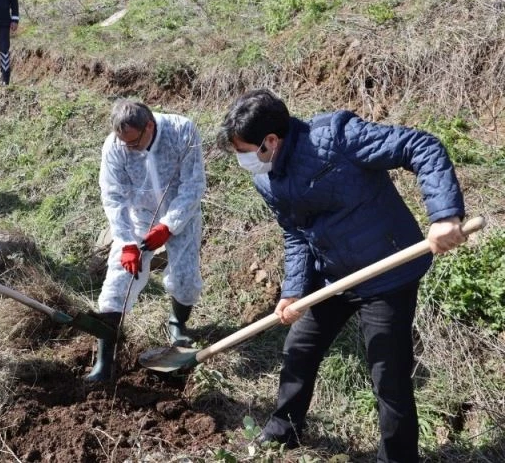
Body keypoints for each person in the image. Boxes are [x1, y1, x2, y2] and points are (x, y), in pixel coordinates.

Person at [217, 89, 467, 462]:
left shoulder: (336, 137)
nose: (242, 160)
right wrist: (294, 290)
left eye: (243, 150)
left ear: (270, 140)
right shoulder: (267, 178)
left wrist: (444, 215)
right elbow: (295, 233)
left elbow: (421, 146)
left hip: (388, 272)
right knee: (298, 349)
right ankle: (285, 428)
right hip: (332, 277)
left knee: (389, 376)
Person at [87, 99, 206, 382]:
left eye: (133, 142)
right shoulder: (114, 147)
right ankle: (104, 363)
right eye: (123, 142)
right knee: (116, 285)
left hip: (181, 213)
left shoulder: (182, 131)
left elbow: (194, 184)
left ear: (149, 126)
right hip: (138, 218)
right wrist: (127, 241)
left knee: (185, 278)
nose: (128, 148)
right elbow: (113, 196)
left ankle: (178, 323)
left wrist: (169, 225)